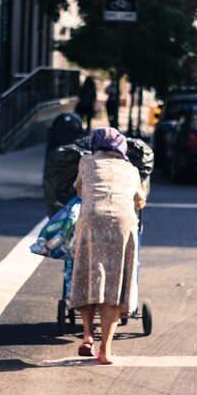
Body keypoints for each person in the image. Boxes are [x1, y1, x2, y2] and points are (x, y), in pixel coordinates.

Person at [69, 127, 146, 365]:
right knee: (113, 284)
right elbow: (140, 201)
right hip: (122, 225)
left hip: (91, 221)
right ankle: (106, 350)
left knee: (88, 274)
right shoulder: (131, 170)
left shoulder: (86, 162)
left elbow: (80, 189)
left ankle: (87, 337)